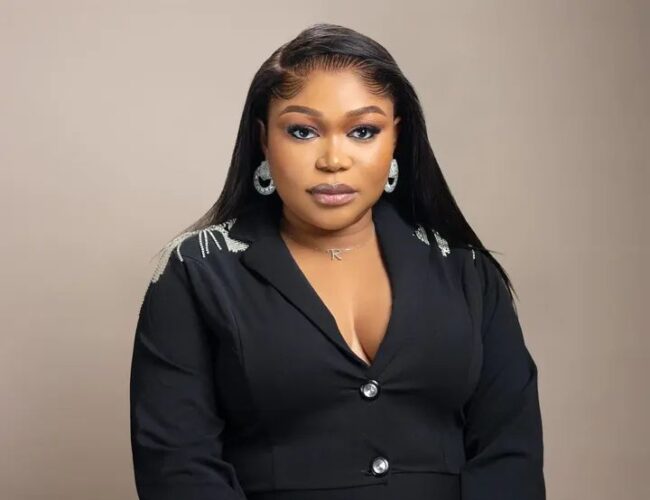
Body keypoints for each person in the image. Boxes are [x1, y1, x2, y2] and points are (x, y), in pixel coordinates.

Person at [129, 23, 545, 500]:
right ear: (264, 139)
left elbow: (510, 457)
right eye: (303, 131)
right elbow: (177, 468)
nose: (333, 159)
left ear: (396, 138)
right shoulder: (196, 272)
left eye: (363, 131)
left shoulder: (467, 272)